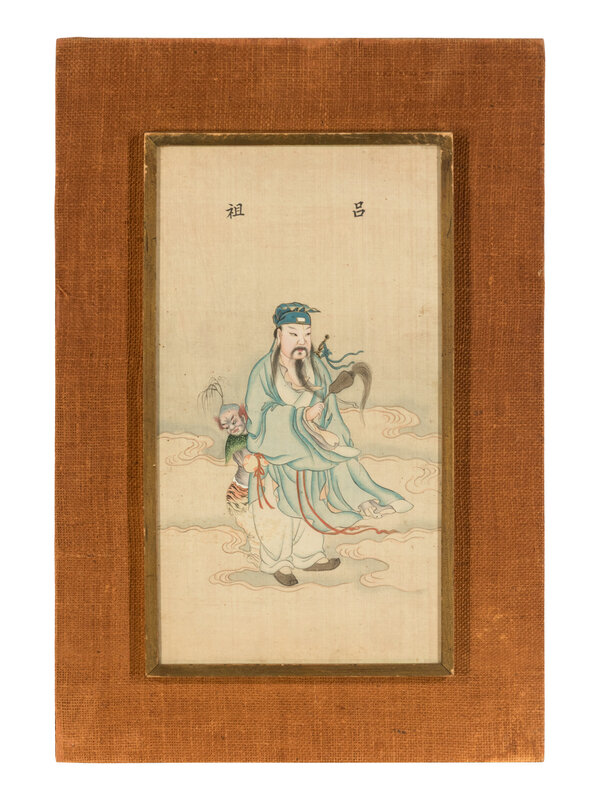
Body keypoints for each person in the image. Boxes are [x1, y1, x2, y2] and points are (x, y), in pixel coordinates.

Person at [243, 302, 412, 586]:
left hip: (314, 452)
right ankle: (278, 562)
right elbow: (258, 417)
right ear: (278, 335)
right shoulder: (263, 372)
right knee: (278, 513)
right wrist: (299, 418)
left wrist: (328, 436)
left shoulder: (316, 368)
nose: (302, 341)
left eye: (307, 334)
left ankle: (308, 556)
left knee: (314, 501)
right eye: (294, 334)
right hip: (277, 457)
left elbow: (331, 412)